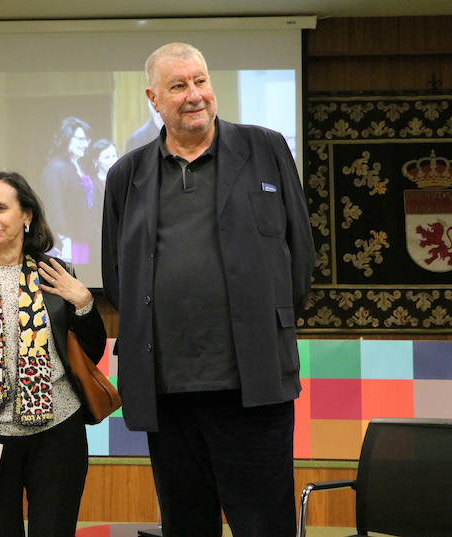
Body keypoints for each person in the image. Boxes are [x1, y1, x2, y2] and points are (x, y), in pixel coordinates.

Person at [101, 43, 315, 537]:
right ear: (154, 99)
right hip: (167, 391)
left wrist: (268, 319)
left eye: (200, 80)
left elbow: (299, 254)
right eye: (178, 86)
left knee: (265, 525)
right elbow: (119, 278)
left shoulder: (266, 148)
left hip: (253, 385)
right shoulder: (125, 175)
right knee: (186, 525)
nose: (194, 95)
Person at [0, 171, 106, 537]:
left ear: (26, 215)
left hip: (59, 434)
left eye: (1, 207)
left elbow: (89, 354)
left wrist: (85, 304)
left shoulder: (55, 272)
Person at [41, 116, 96, 263]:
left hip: (81, 238)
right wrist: (64, 240)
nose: (84, 144)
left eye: (86, 140)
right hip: (67, 242)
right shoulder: (56, 167)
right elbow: (54, 207)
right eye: (79, 139)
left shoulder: (78, 165)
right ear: (66, 139)